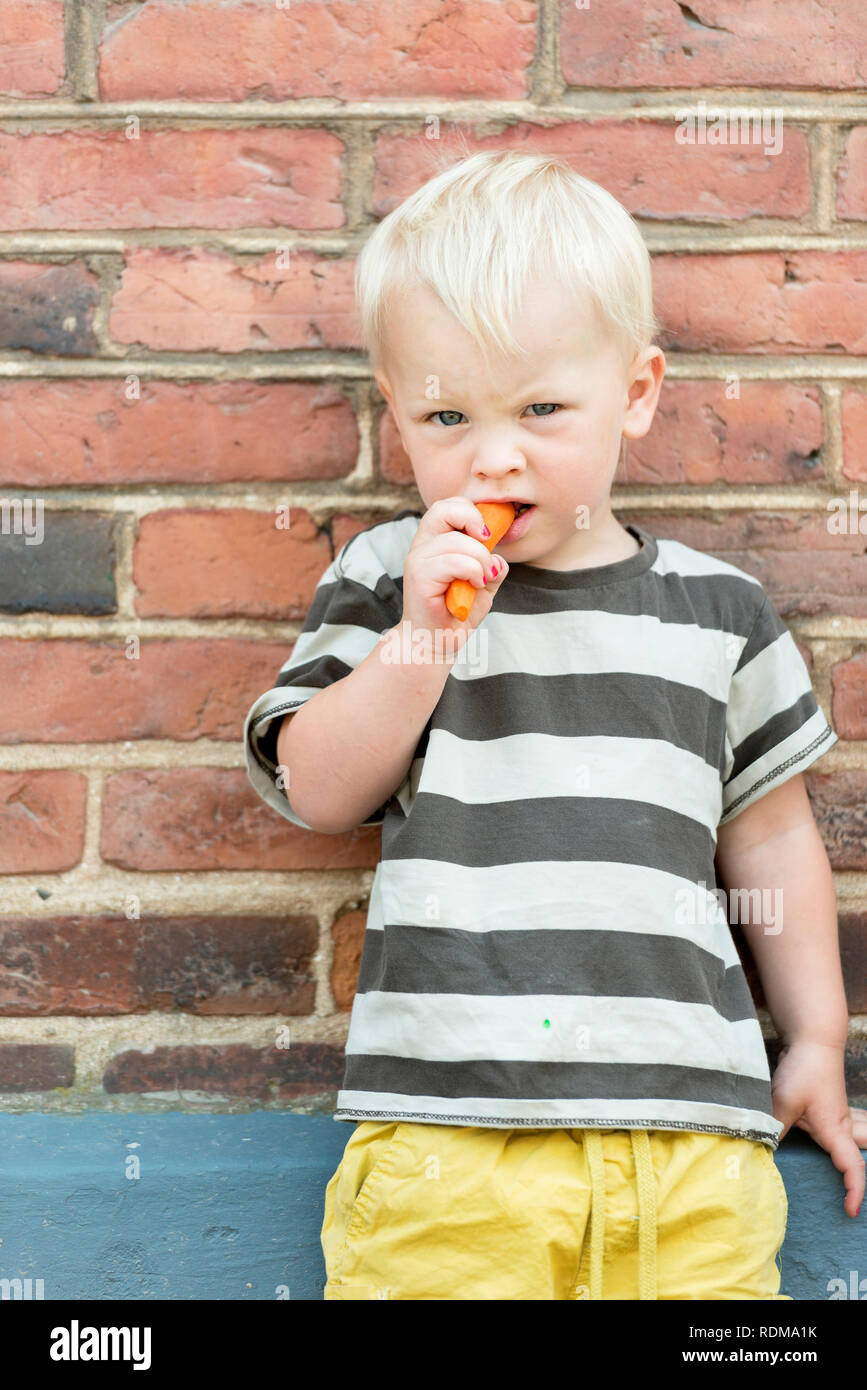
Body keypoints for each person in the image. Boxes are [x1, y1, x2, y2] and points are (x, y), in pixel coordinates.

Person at [243, 149, 866, 1300]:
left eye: (540, 407)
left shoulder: (717, 612)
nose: (495, 453)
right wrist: (424, 636)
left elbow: (773, 842)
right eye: (448, 413)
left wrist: (818, 1039)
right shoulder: (388, 577)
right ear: (398, 417)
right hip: (451, 1150)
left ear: (635, 392)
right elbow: (318, 789)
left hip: (690, 1145)